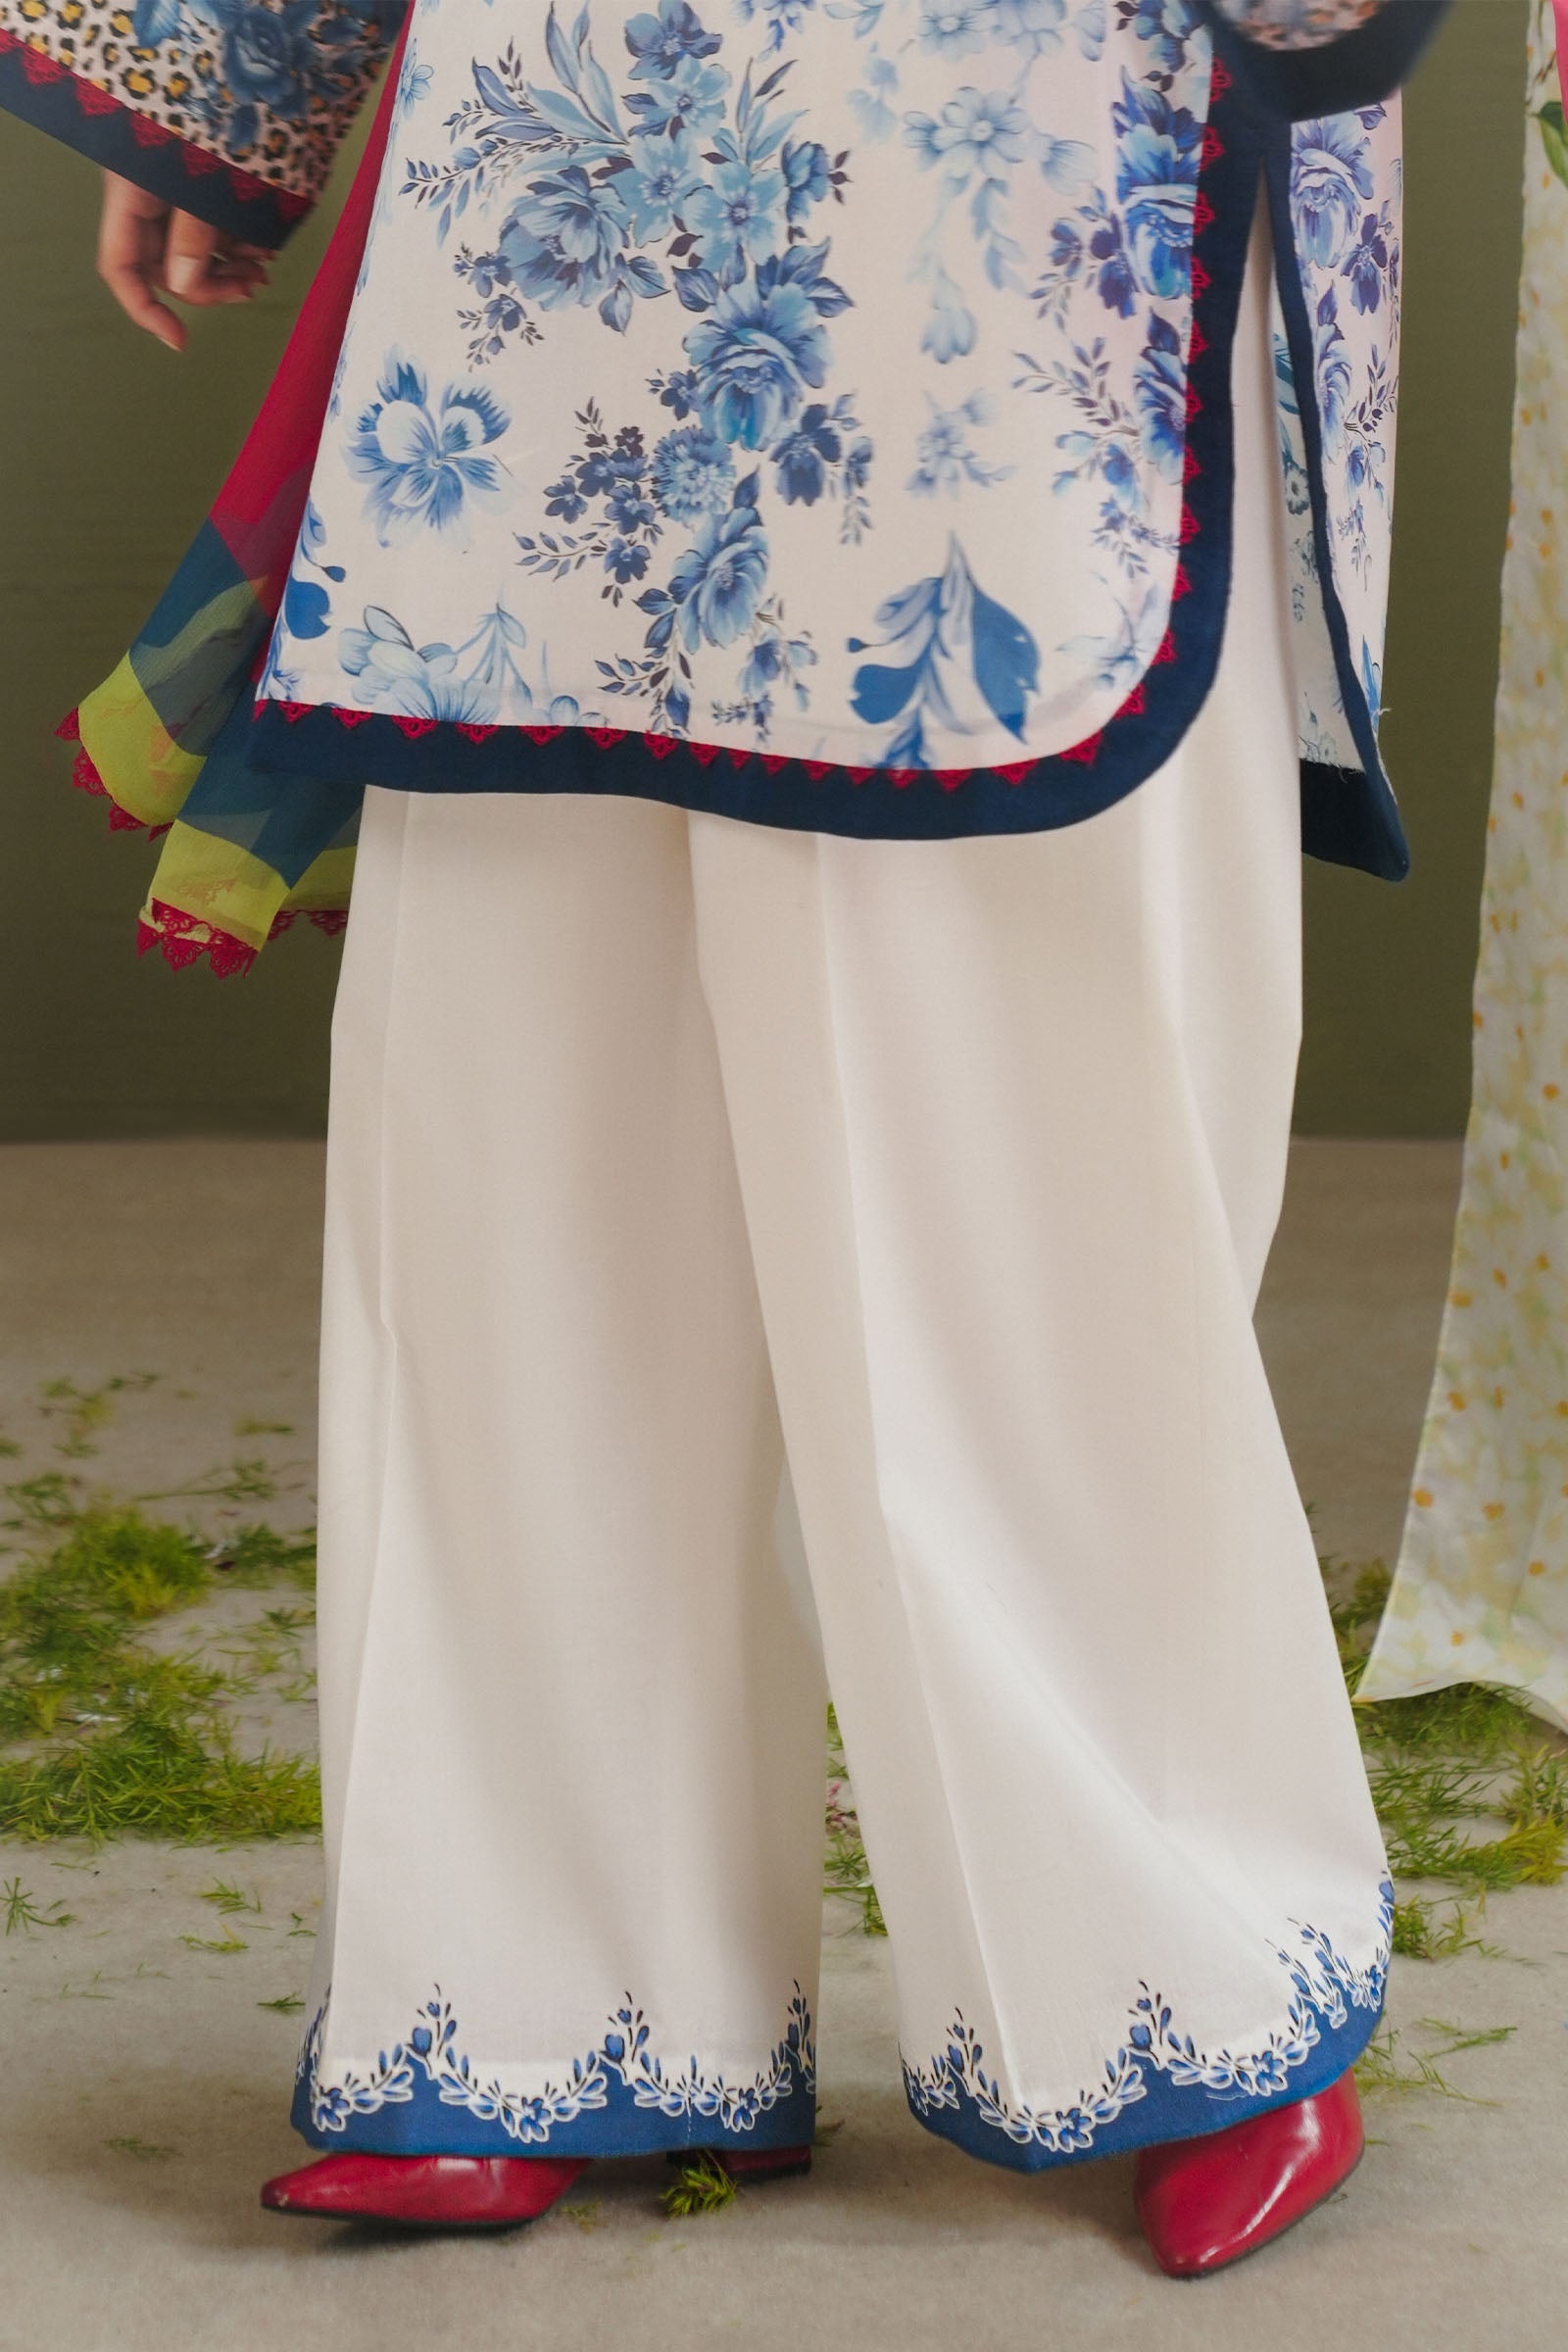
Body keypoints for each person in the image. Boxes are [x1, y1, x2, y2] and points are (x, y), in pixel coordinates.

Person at [1, 0, 1448, 2278]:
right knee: (521, 1122)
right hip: (557, 155)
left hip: (1032, 148)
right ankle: (535, 1993)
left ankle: (1181, 1968)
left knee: (1010, 1144)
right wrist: (238, 63)